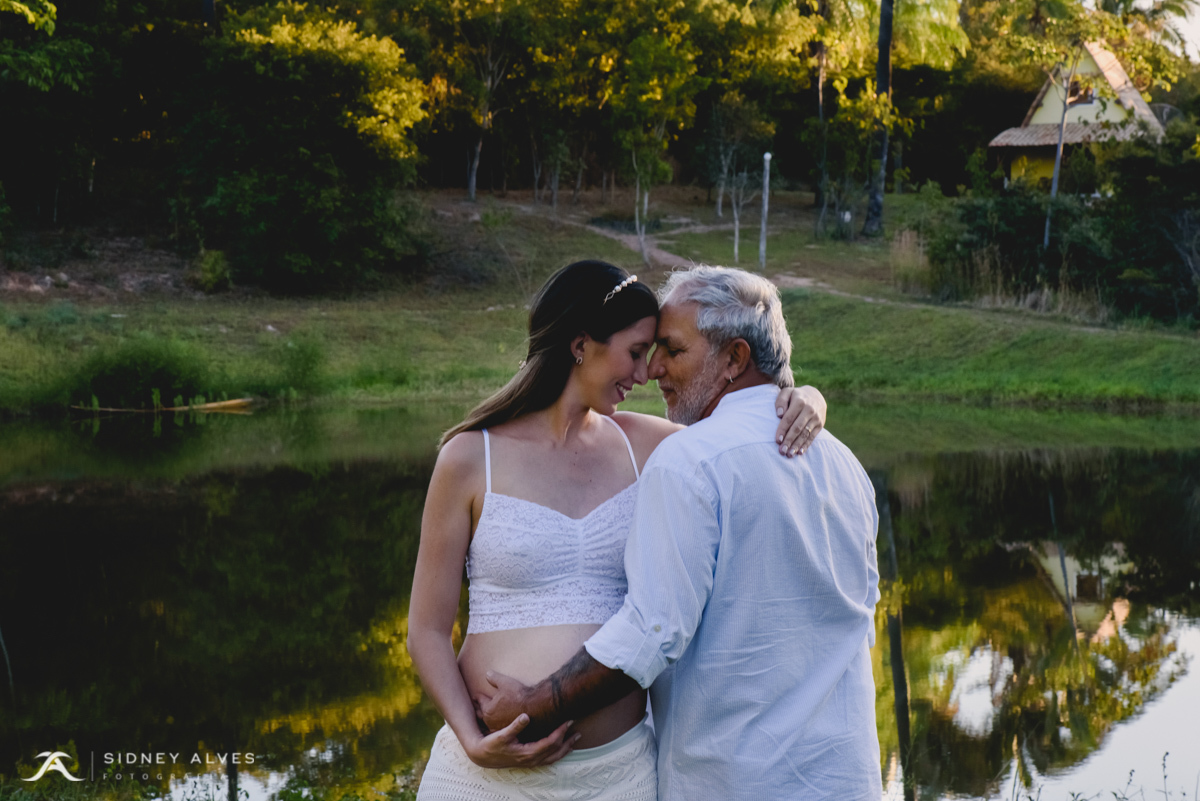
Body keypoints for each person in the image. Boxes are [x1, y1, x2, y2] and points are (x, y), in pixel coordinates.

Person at [407, 260, 829, 801]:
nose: (646, 372)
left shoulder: (647, 445)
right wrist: (469, 738)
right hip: (487, 776)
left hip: (618, 777)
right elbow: (426, 628)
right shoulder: (469, 456)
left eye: (657, 352)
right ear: (581, 344)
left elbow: (745, 427)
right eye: (635, 352)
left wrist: (809, 397)